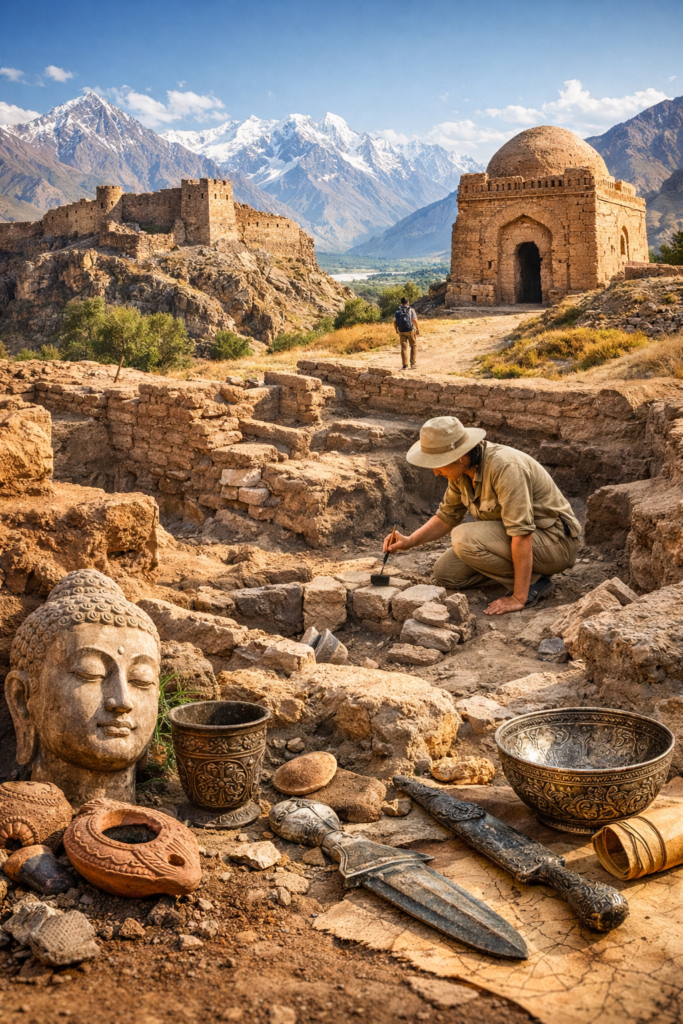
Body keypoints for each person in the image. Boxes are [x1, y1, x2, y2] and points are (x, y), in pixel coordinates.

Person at [383, 416, 580, 616]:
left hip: (554, 542)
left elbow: (521, 534)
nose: (435, 472)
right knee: (446, 573)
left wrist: (519, 596)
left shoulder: (504, 467)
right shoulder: (460, 473)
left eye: (439, 463)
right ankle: (531, 575)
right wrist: (408, 541)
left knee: (464, 537)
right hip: (518, 539)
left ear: (459, 456)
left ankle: (531, 583)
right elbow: (446, 517)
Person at [394, 296, 419, 369]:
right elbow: (414, 320)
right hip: (410, 330)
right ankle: (413, 364)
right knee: (413, 345)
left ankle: (405, 365)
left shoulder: (398, 310)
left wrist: (396, 329)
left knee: (404, 347)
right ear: (408, 303)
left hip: (401, 331)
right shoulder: (411, 309)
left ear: (401, 303)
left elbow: (395, 322)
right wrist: (417, 328)